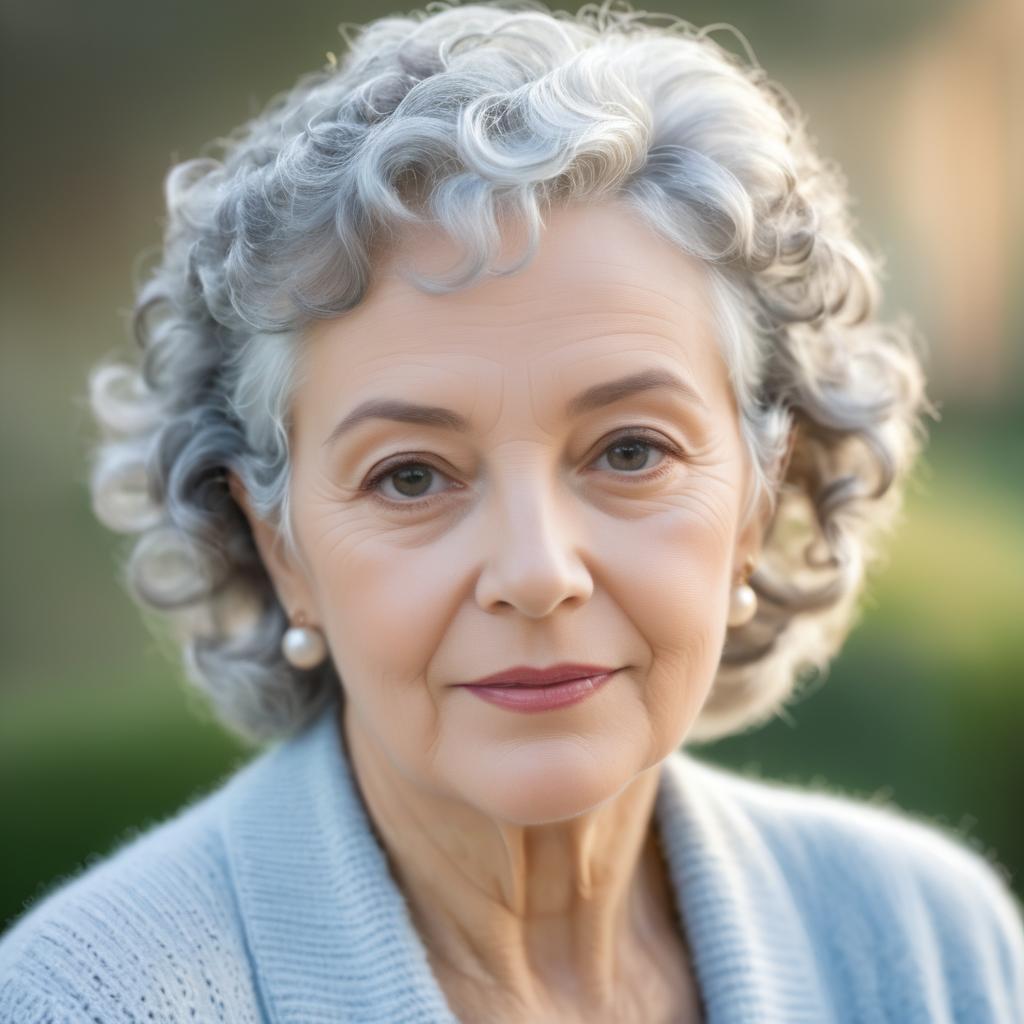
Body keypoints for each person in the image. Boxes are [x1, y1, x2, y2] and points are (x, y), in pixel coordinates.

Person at [2, 1, 1022, 1021]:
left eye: (629, 451)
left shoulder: (927, 949)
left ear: (761, 498)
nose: (536, 571)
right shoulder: (92, 1000)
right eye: (410, 475)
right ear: (281, 547)